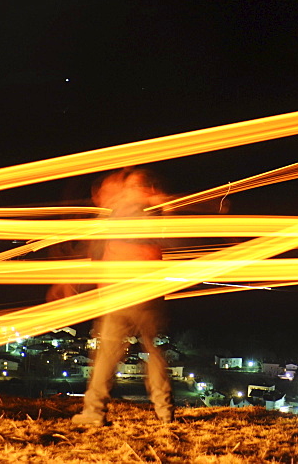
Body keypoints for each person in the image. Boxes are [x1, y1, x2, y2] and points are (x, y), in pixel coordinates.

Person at [72, 168, 174, 426]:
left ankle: (94, 412)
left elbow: (99, 245)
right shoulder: (153, 211)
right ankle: (165, 414)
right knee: (153, 351)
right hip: (147, 294)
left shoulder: (128, 213)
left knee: (107, 353)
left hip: (121, 293)